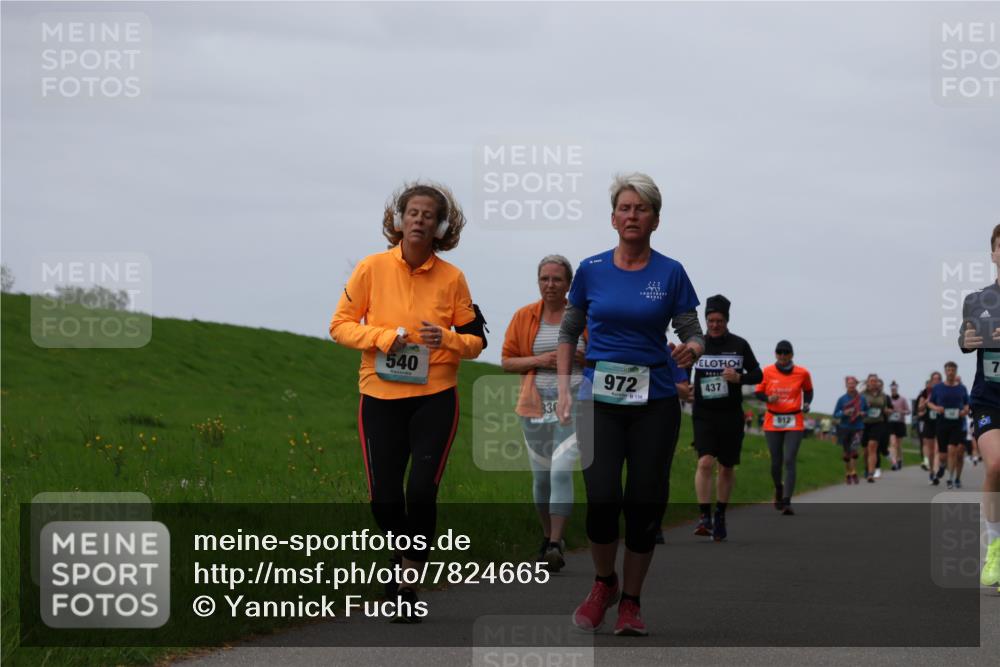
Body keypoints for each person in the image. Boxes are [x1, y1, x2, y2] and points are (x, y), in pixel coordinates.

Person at [329, 182, 487, 622]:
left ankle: (408, 579)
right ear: (398, 221)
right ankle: (403, 561)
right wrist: (381, 336)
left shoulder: (452, 278)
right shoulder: (371, 268)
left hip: (435, 395)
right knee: (383, 499)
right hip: (379, 394)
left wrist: (450, 339)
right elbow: (339, 325)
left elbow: (477, 341)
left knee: (420, 489)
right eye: (411, 213)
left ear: (440, 228)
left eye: (428, 215)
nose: (418, 220)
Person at [556, 172, 704, 636]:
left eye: (641, 208)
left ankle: (632, 603)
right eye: (625, 207)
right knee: (602, 499)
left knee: (644, 502)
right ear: (613, 217)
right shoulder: (591, 269)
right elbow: (567, 331)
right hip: (598, 399)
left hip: (655, 401)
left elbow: (692, 333)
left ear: (655, 219)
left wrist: (693, 351)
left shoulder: (671, 272)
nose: (632, 215)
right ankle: (605, 584)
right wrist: (563, 387)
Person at [502, 254, 585, 572]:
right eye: (545, 278)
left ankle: (555, 543)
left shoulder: (582, 317)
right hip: (535, 405)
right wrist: (542, 360)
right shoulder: (524, 316)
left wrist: (580, 358)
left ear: (568, 284)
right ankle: (549, 536)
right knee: (541, 479)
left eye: (557, 279)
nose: (550, 284)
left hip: (574, 402)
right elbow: (508, 361)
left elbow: (601, 357)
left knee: (561, 469)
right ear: (538, 281)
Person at [690, 294, 763, 542]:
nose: (714, 325)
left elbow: (758, 374)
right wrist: (683, 385)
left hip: (731, 413)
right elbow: (680, 367)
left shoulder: (739, 345)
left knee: (727, 467)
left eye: (719, 320)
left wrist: (739, 378)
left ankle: (720, 513)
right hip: (703, 413)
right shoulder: (697, 345)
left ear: (726, 320)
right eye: (710, 320)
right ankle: (704, 516)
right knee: (705, 462)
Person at [959, 223, 1000, 591]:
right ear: (993, 254)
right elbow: (964, 338)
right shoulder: (977, 300)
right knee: (997, 463)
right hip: (990, 397)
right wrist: (970, 339)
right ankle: (994, 546)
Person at [754, 340, 814, 514]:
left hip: (794, 419)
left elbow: (808, 391)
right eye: (779, 352)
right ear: (775, 354)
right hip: (773, 420)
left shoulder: (802, 373)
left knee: (789, 459)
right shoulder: (767, 371)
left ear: (791, 355)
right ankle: (778, 488)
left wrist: (807, 404)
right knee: (776, 462)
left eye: (785, 353)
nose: (782, 356)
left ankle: (787, 501)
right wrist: (767, 398)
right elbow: (758, 392)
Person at [927, 362, 970, 488]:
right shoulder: (938, 388)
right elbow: (929, 403)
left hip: (957, 423)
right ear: (945, 372)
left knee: (953, 450)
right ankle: (942, 466)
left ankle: (951, 478)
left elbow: (967, 403)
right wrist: (936, 408)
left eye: (953, 370)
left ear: (956, 372)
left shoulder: (962, 388)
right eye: (948, 370)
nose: (951, 372)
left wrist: (965, 410)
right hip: (942, 423)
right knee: (942, 455)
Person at [833, 376, 867, 484]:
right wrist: (844, 413)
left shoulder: (861, 399)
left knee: (854, 451)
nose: (851, 385)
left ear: (856, 384)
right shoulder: (842, 399)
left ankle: (854, 472)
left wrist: (863, 413)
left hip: (858, 427)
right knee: (847, 453)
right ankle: (848, 473)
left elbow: (867, 411)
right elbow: (835, 414)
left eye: (853, 383)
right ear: (846, 385)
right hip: (845, 427)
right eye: (849, 383)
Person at [860, 374, 890, 482]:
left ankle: (870, 473)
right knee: (865, 450)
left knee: (872, 446)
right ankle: (867, 467)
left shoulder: (883, 395)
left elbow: (886, 408)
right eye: (871, 381)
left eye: (875, 381)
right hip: (865, 423)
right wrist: (862, 410)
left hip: (878, 423)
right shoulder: (862, 395)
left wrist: (887, 411)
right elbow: (857, 408)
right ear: (868, 382)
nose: (873, 383)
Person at [917, 372, 943, 471]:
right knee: (930, 449)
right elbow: (919, 408)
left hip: (940, 422)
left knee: (937, 449)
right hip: (929, 422)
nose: (936, 381)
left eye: (938, 379)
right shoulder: (926, 392)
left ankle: (936, 471)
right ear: (931, 381)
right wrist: (926, 402)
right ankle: (931, 470)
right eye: (934, 379)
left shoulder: (943, 390)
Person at [887, 381, 910, 470]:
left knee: (899, 445)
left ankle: (899, 459)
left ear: (897, 389)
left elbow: (908, 411)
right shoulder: (888, 399)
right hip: (890, 423)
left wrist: (902, 411)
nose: (893, 390)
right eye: (892, 389)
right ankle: (894, 462)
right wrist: (889, 411)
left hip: (900, 423)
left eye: (895, 388)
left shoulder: (903, 399)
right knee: (893, 443)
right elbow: (885, 409)